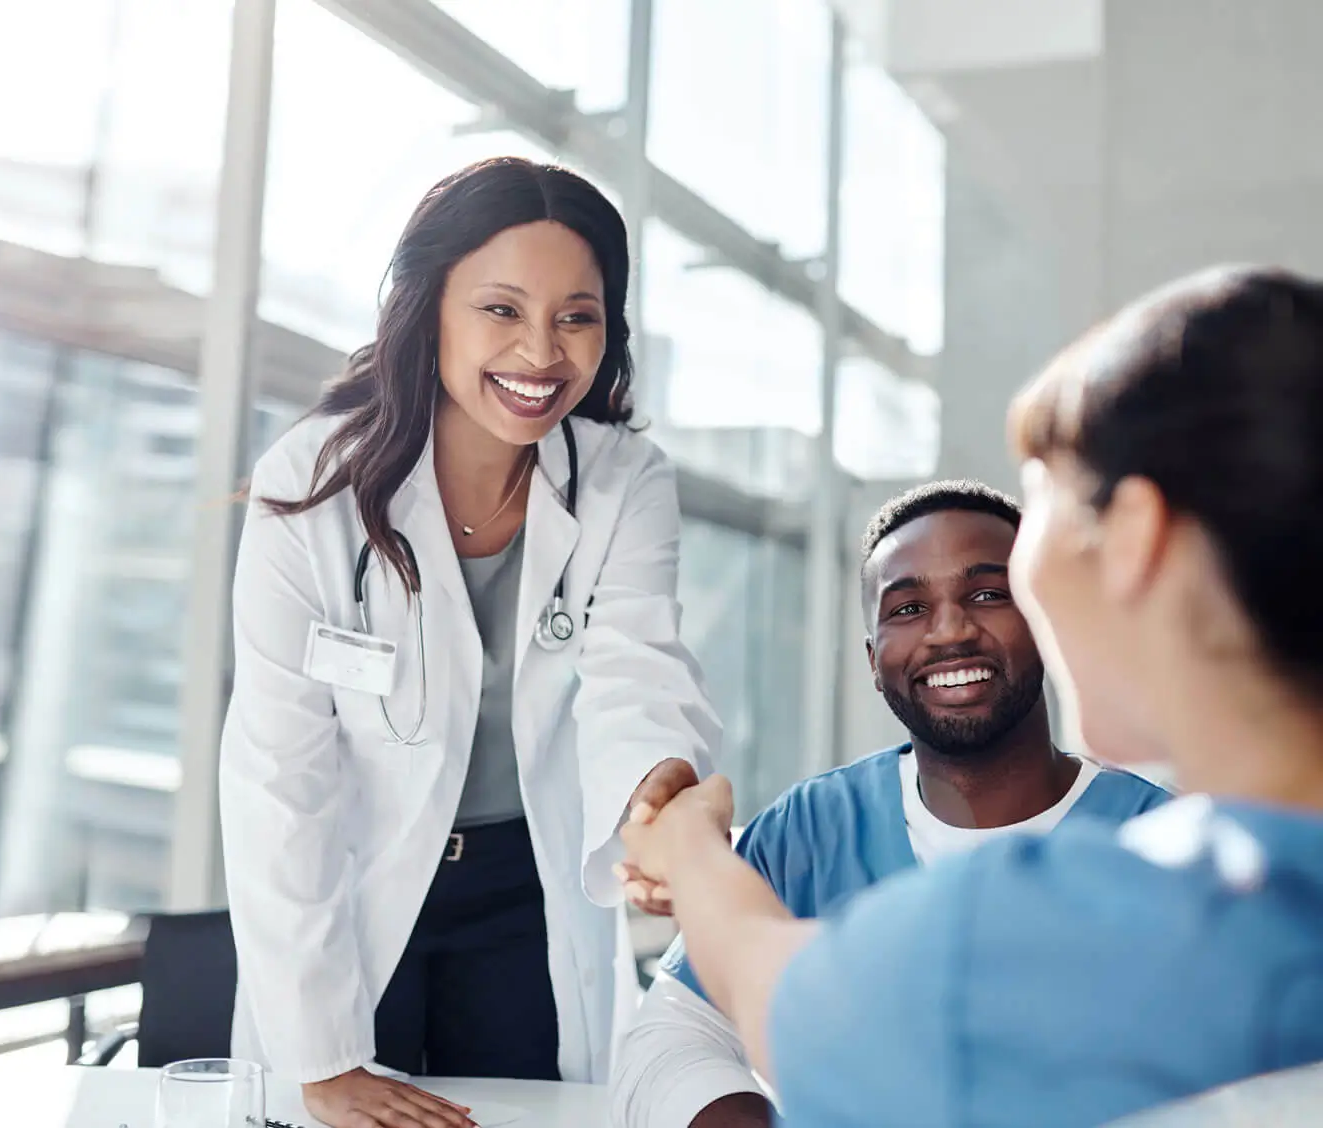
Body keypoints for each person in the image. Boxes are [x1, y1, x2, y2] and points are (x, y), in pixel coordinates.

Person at [621, 264, 1323, 1126]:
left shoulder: (1062, 925)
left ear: (1136, 538)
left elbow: (788, 1000)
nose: (954, 627)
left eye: (1043, 501)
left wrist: (690, 850)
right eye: (908, 606)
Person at [220, 157, 721, 1128]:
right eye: (500, 309)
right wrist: (320, 1062)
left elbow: (637, 672)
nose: (540, 352)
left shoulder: (621, 481)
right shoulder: (313, 484)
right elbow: (278, 771)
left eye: (576, 316)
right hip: (351, 883)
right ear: (428, 309)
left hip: (522, 892)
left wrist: (655, 797)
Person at [609, 481, 1171, 1128]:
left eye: (989, 595)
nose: (949, 632)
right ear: (875, 660)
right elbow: (670, 1037)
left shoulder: (1160, 844)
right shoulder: (808, 830)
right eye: (908, 608)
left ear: (1046, 623)